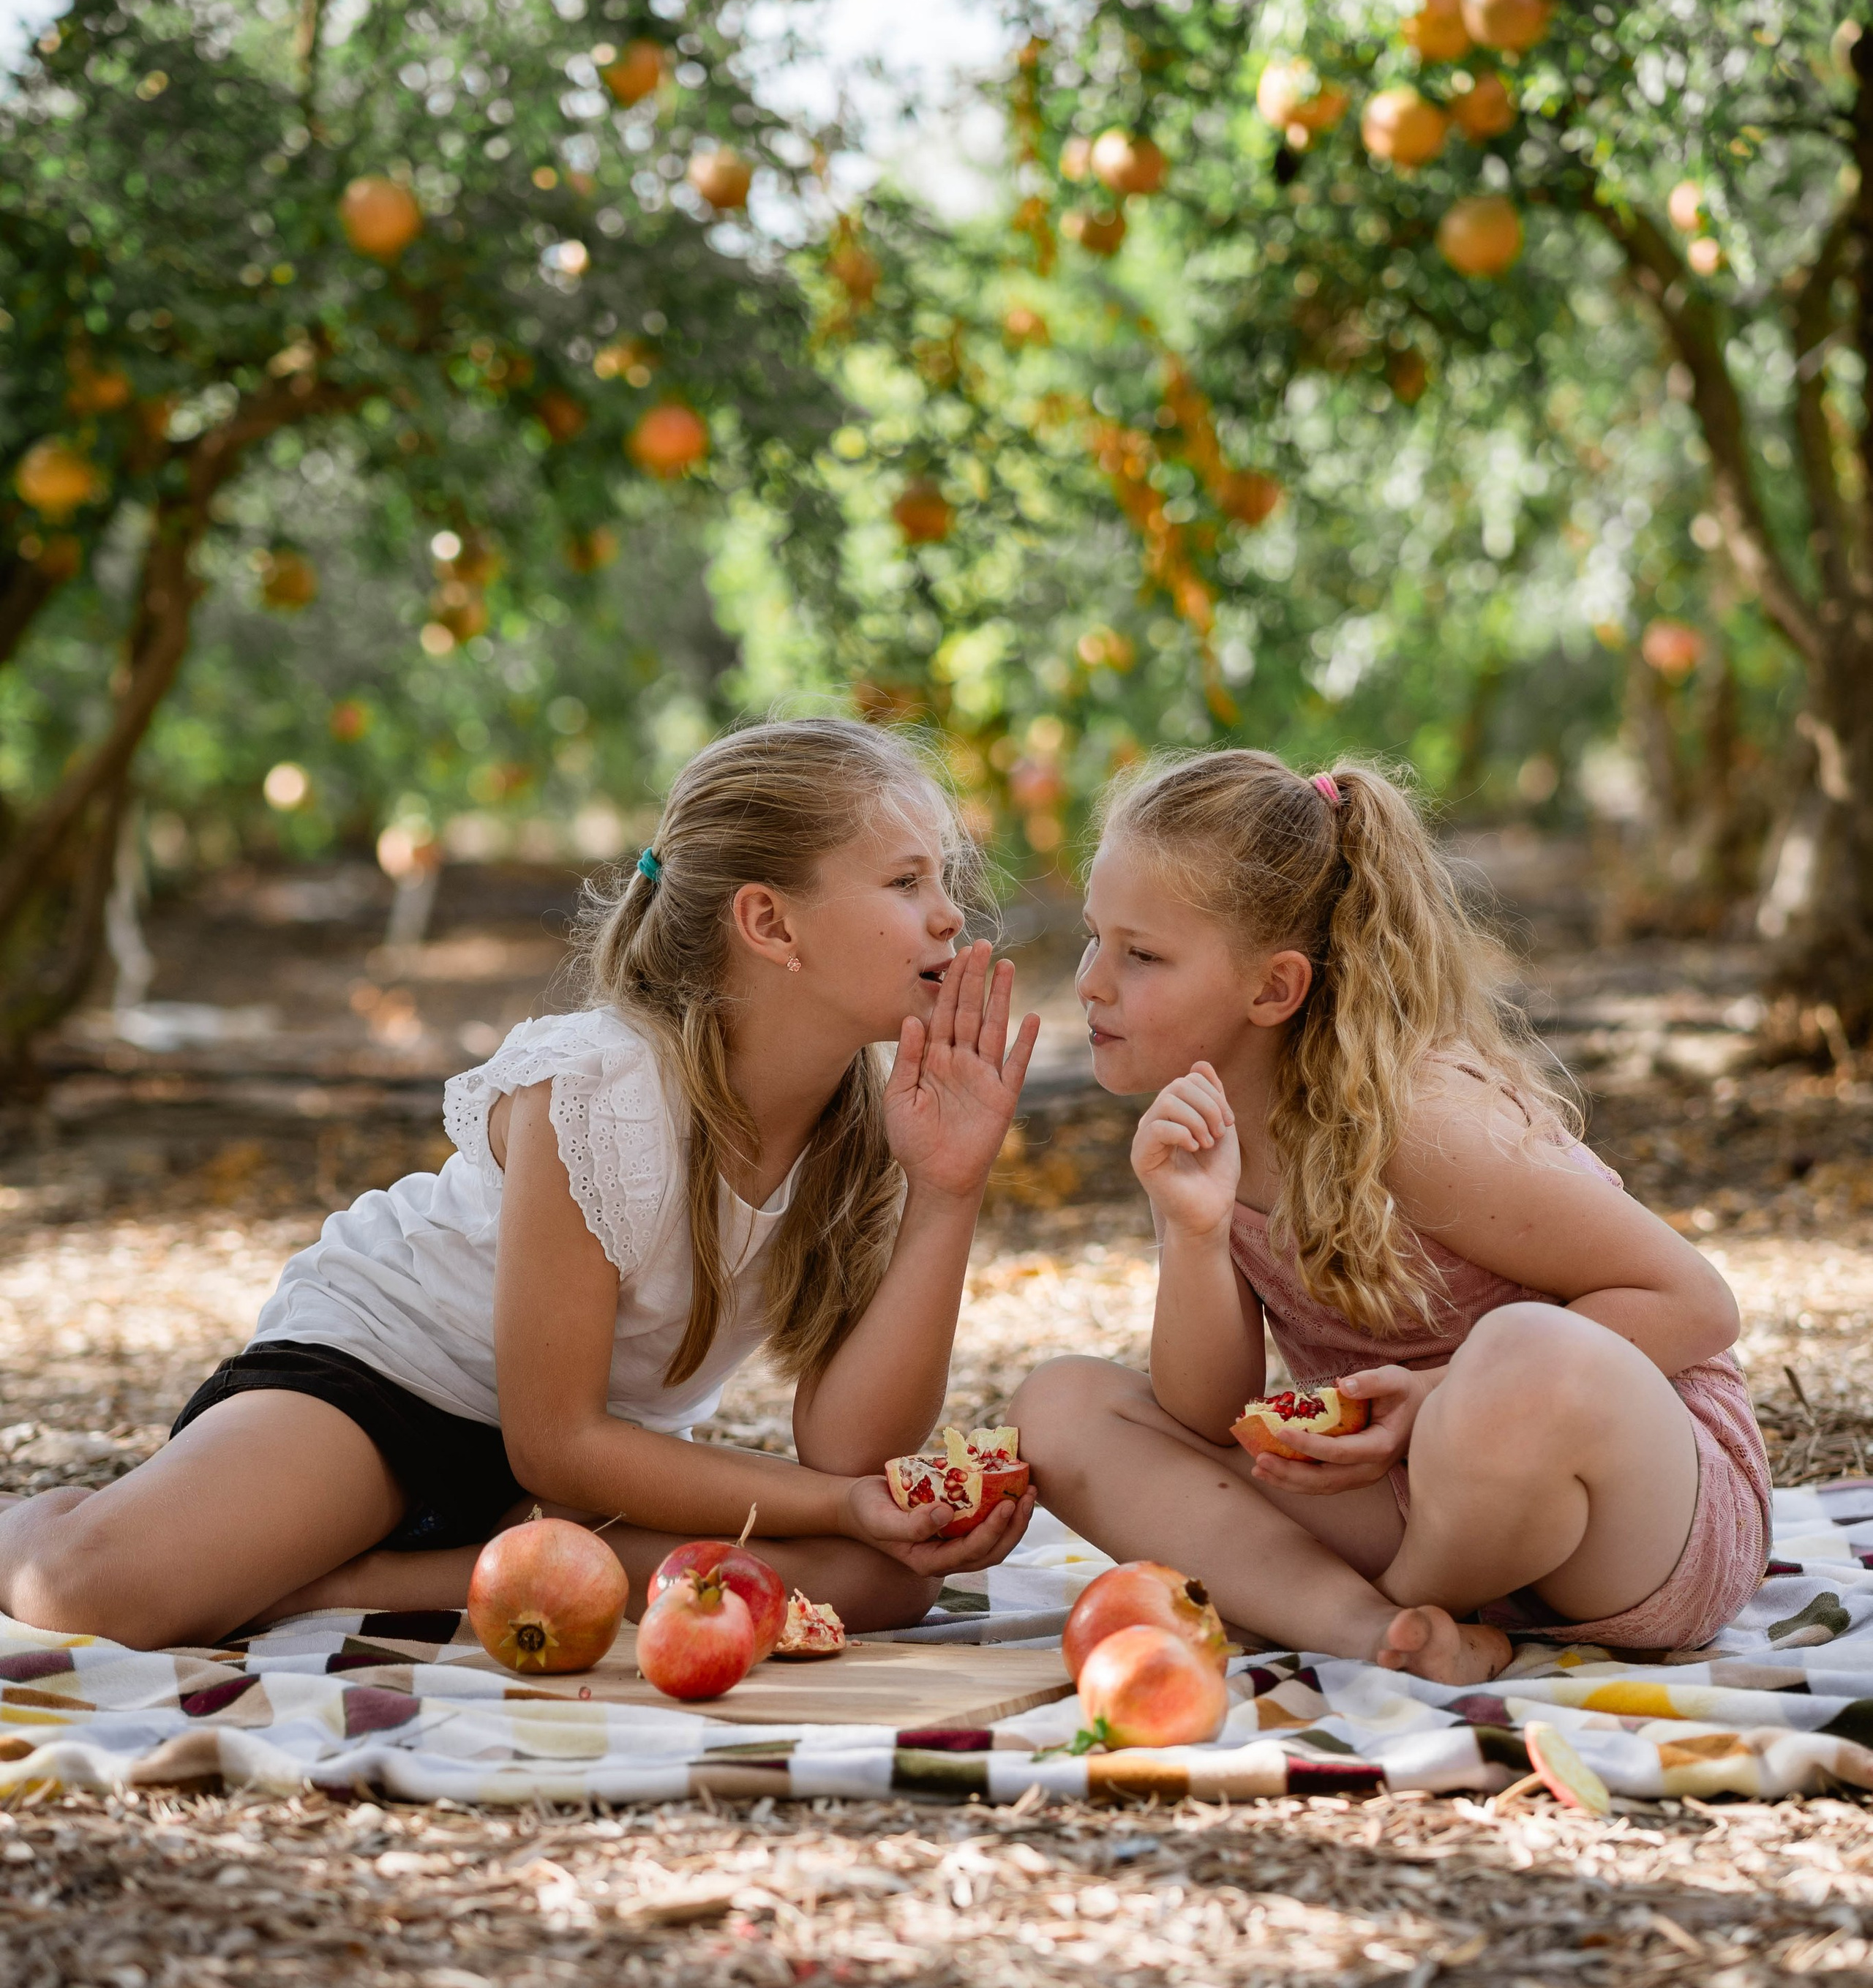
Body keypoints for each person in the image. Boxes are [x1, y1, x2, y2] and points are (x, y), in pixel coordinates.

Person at [0, 718, 1040, 1651]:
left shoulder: (874, 1123)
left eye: (942, 882)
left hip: (557, 1476)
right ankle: (92, 1517)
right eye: (908, 884)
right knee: (100, 1592)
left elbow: (852, 1456)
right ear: (770, 925)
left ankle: (349, 1583)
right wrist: (843, 1502)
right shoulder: (598, 1087)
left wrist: (948, 1188)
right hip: (391, 1390)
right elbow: (560, 1441)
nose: (951, 918)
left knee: (879, 1581)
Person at [1013, 750, 1768, 1684]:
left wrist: (1444, 1393)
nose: (1090, 981)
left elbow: (1695, 1304)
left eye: (1140, 954)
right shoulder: (1205, 1127)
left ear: (1273, 990)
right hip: (1410, 1494)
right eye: (1095, 938)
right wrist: (1196, 1230)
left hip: (1631, 1516)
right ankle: (1374, 1634)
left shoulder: (1418, 1121)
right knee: (1059, 1408)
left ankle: (1408, 1602)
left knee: (1523, 1356)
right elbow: (1206, 1416)